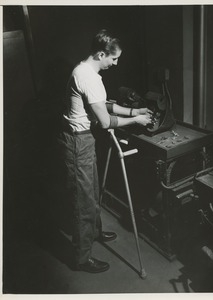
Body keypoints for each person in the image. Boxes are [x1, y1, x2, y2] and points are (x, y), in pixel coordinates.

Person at [57, 29, 152, 273]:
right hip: (79, 142)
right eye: (114, 58)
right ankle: (81, 258)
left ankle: (95, 232)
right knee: (84, 200)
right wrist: (137, 122)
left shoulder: (86, 71)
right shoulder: (88, 77)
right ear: (101, 54)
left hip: (83, 140)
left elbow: (105, 104)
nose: (116, 63)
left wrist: (135, 112)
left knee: (92, 189)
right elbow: (106, 120)